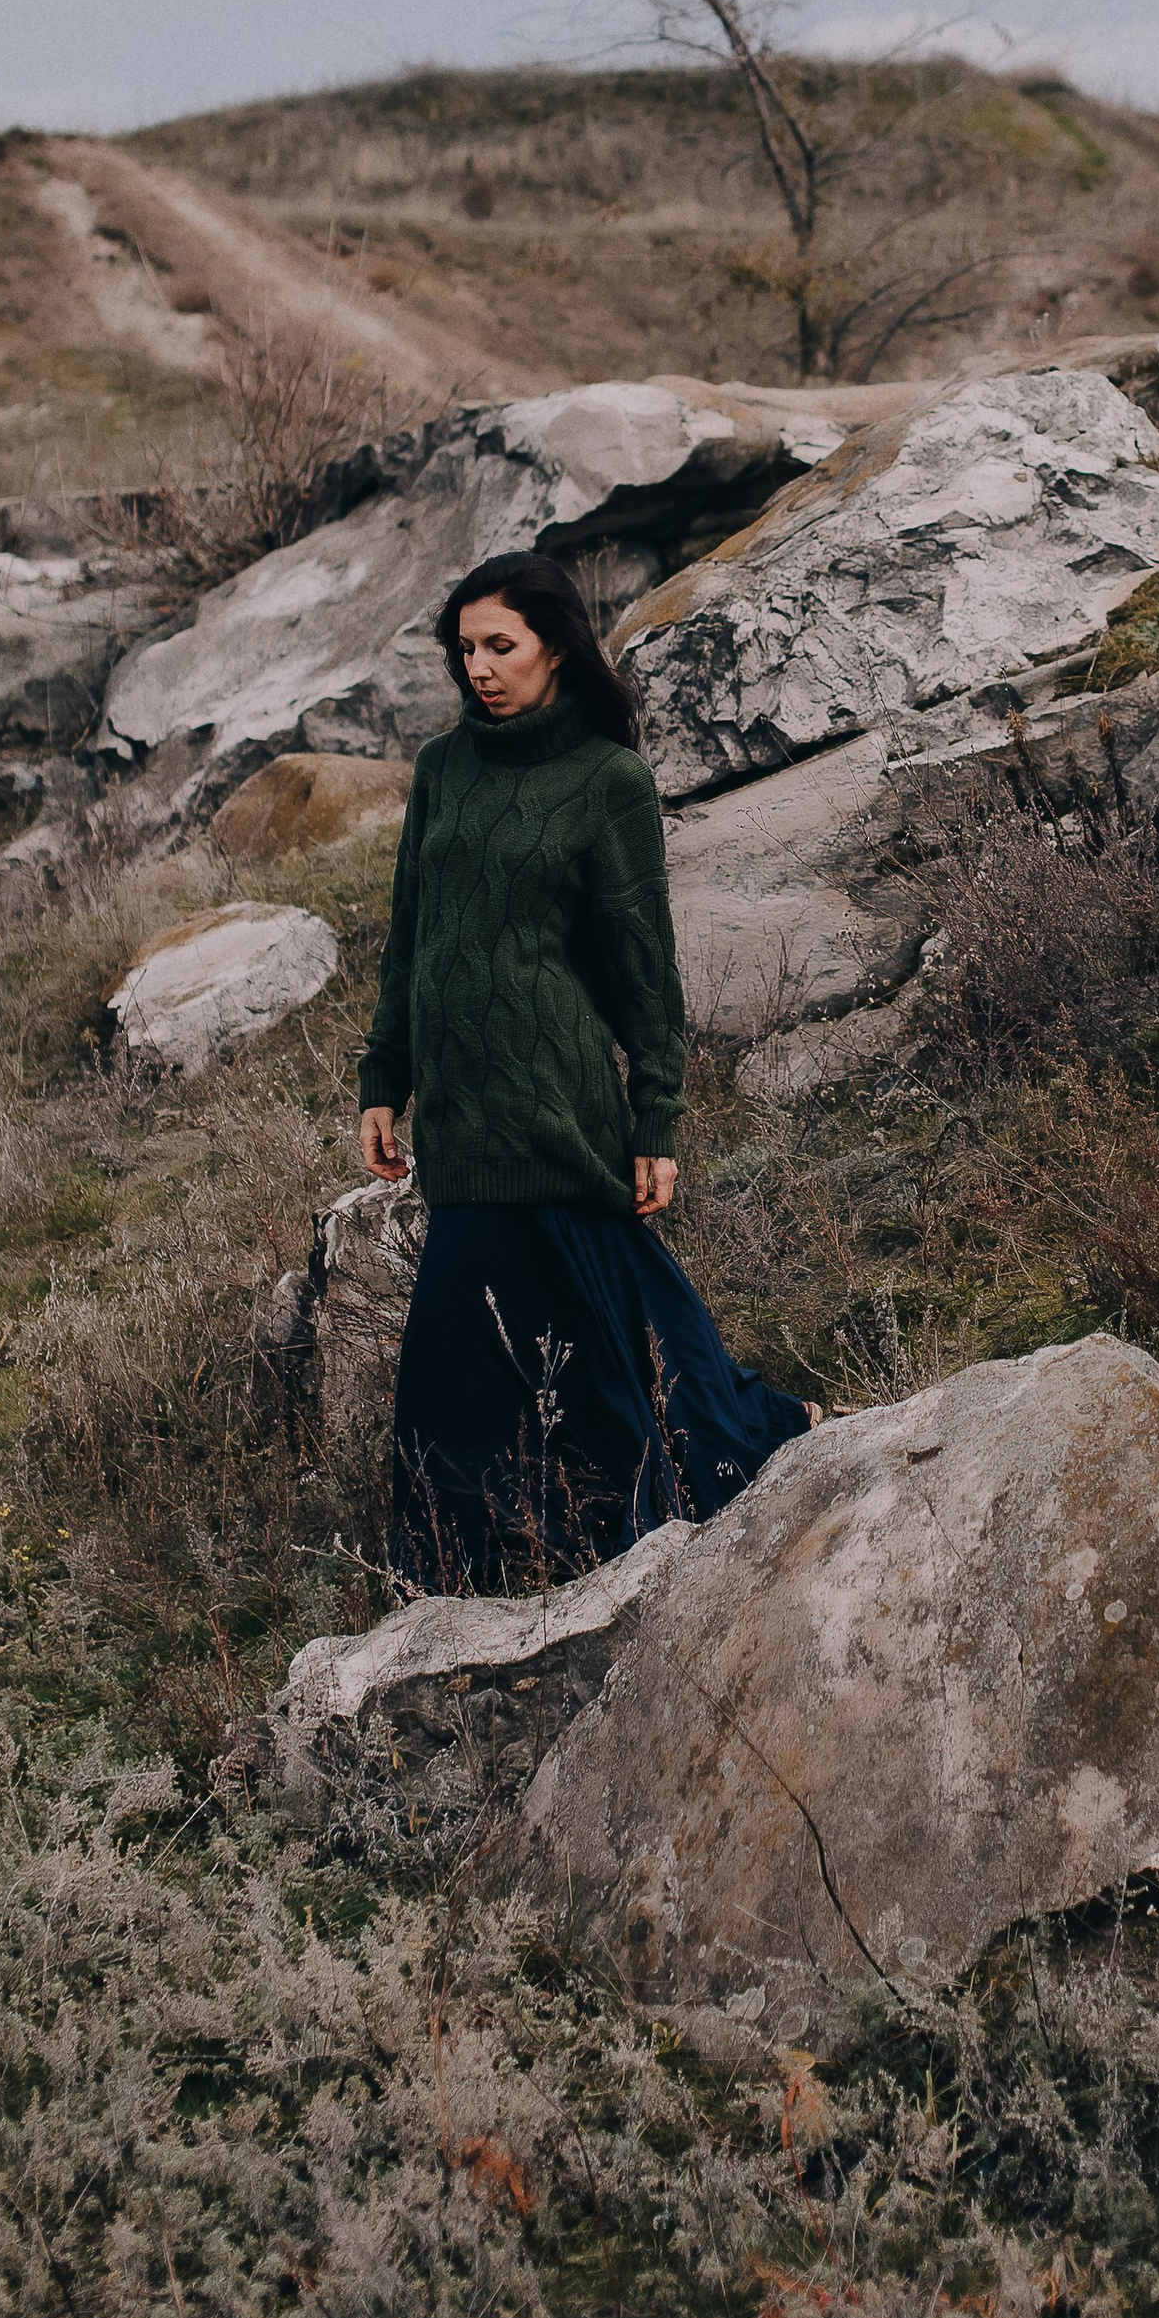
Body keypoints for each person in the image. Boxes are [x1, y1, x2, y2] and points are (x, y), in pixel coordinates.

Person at [357, 547, 812, 1588]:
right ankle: (456, 1572)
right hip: (459, 1121)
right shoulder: (442, 771)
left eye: (499, 645)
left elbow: (640, 973)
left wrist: (655, 1120)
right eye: (464, 648)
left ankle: (666, 1506)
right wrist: (384, 1079)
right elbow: (409, 939)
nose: (478, 666)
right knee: (461, 1365)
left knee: (613, 1356)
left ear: (555, 647)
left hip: (557, 1107)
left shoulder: (607, 781)